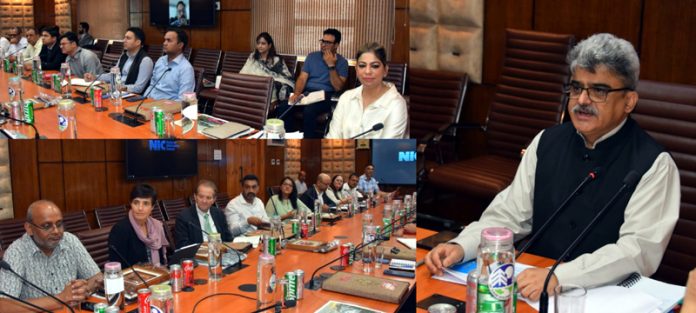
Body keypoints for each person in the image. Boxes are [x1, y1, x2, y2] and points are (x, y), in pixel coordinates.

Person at [424, 33, 680, 301]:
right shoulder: (546, 141)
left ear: (629, 101)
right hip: (532, 288)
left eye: (599, 91)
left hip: (604, 296)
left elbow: (637, 251)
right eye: (576, 88)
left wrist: (561, 276)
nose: (582, 100)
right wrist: (461, 246)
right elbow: (509, 216)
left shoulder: (655, 164)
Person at [0, 200, 102, 312]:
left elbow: (96, 277)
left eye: (59, 224)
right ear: (29, 228)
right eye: (47, 226)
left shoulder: (70, 240)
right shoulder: (16, 252)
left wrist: (82, 290)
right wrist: (61, 298)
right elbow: (4, 306)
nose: (56, 231)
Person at [276, 28, 350, 138]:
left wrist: (331, 66)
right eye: (322, 41)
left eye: (328, 42)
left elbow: (338, 87)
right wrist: (296, 93)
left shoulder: (342, 62)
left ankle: (308, 143)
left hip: (326, 95)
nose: (323, 45)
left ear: (336, 45)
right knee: (284, 106)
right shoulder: (312, 57)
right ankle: (290, 138)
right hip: (307, 93)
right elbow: (302, 78)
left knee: (309, 111)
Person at [327, 42, 408, 139]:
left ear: (385, 71)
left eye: (375, 66)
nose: (367, 71)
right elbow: (332, 139)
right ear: (356, 70)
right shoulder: (346, 98)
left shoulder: (397, 104)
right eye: (362, 65)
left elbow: (386, 150)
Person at [108, 184, 170, 267]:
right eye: (136, 203)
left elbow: (162, 260)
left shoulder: (157, 226)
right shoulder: (120, 229)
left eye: (145, 203)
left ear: (152, 207)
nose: (140, 208)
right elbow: (116, 265)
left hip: (158, 274)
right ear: (131, 204)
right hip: (133, 278)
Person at [87, 27, 153, 94]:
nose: (124, 40)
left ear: (138, 42)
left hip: (131, 95)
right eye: (124, 38)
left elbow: (139, 88)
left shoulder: (145, 61)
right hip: (117, 92)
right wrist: (95, 77)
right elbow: (113, 75)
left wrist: (122, 87)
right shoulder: (123, 56)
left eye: (128, 38)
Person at [174, 180, 233, 248]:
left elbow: (228, 238)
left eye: (208, 198)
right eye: (201, 196)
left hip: (221, 253)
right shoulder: (184, 217)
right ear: (195, 197)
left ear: (214, 200)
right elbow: (182, 244)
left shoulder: (218, 213)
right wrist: (204, 247)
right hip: (196, 256)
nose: (204, 201)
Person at [240, 32, 295, 106]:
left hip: (268, 86)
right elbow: (244, 71)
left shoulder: (277, 60)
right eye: (258, 43)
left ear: (269, 45)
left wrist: (268, 80)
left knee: (271, 86)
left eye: (263, 43)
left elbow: (287, 78)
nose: (260, 46)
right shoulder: (253, 57)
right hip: (253, 84)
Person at [144, 28, 194, 100]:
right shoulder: (160, 60)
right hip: (148, 103)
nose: (164, 43)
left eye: (169, 40)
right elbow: (152, 85)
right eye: (165, 40)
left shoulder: (186, 68)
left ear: (180, 45)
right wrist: (143, 99)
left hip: (167, 108)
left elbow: (185, 100)